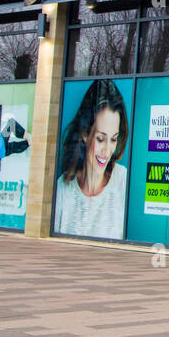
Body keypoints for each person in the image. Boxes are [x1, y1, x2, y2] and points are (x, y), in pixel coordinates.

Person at [54, 80, 129, 240]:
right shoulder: (63, 189)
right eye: (101, 139)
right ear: (85, 134)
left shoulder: (124, 183)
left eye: (114, 139)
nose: (107, 150)